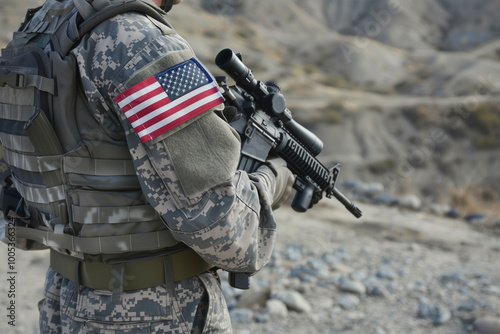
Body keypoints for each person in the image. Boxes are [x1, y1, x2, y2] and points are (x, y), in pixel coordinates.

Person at [0, 0, 294, 332]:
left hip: (64, 301)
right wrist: (274, 179)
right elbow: (224, 233)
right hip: (154, 310)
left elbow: (17, 203)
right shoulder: (143, 43)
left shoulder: (42, 25)